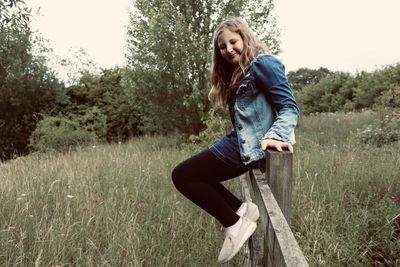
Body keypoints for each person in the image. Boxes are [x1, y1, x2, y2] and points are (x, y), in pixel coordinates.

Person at [171, 17, 299, 263]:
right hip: (238, 143)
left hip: (249, 148)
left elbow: (289, 108)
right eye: (222, 46)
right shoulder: (240, 72)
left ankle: (235, 224)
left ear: (245, 38)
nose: (229, 49)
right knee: (190, 175)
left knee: (183, 176)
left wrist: (275, 135)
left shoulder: (264, 63)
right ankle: (241, 210)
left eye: (233, 41)